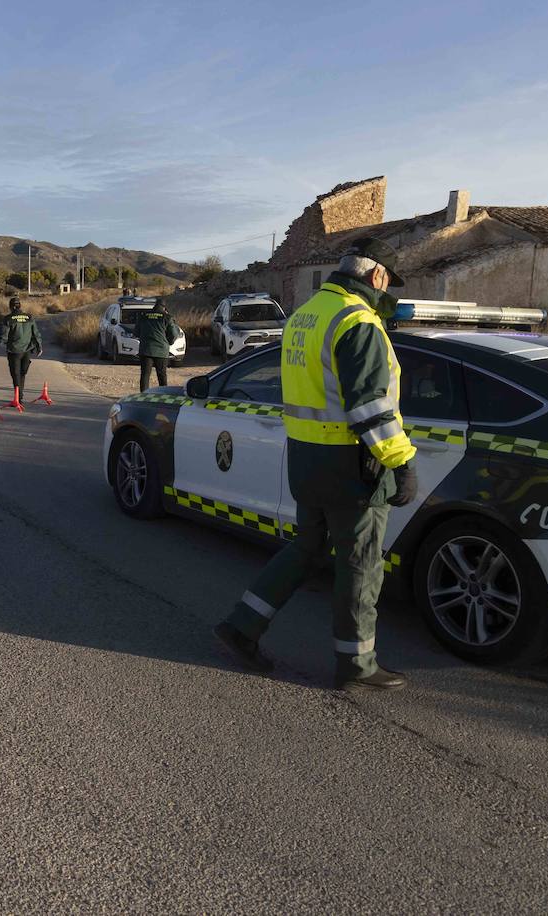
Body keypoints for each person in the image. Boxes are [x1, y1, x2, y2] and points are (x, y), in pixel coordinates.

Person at [213, 237, 418, 690]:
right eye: (389, 284)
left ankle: (241, 626)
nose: (389, 294)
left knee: (306, 548)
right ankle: (357, 664)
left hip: (307, 457)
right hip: (354, 464)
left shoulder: (307, 315)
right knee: (361, 563)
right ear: (376, 276)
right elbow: (370, 407)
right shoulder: (358, 322)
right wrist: (401, 462)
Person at [0, 296, 43, 392]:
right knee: (22, 374)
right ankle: (19, 395)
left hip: (14, 351)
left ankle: (18, 397)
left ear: (11, 307)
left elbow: (3, 335)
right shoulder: (29, 317)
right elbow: (36, 334)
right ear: (20, 306)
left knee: (15, 374)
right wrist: (39, 347)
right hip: (27, 350)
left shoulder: (7, 319)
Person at [134, 298, 181, 391]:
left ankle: (143, 396)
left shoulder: (144, 316)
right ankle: (163, 395)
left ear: (155, 306)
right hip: (161, 351)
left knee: (145, 375)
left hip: (146, 350)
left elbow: (136, 332)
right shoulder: (167, 317)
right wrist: (169, 342)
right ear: (164, 308)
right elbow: (174, 334)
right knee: (162, 375)